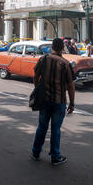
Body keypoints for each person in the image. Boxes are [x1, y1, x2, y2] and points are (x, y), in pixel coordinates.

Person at [31, 38, 75, 166]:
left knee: (42, 127)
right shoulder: (65, 64)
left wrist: (37, 88)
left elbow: (35, 76)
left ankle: (35, 152)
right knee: (56, 129)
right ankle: (55, 156)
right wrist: (72, 103)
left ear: (52, 47)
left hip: (44, 100)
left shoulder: (43, 59)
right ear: (62, 48)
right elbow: (71, 86)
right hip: (59, 101)